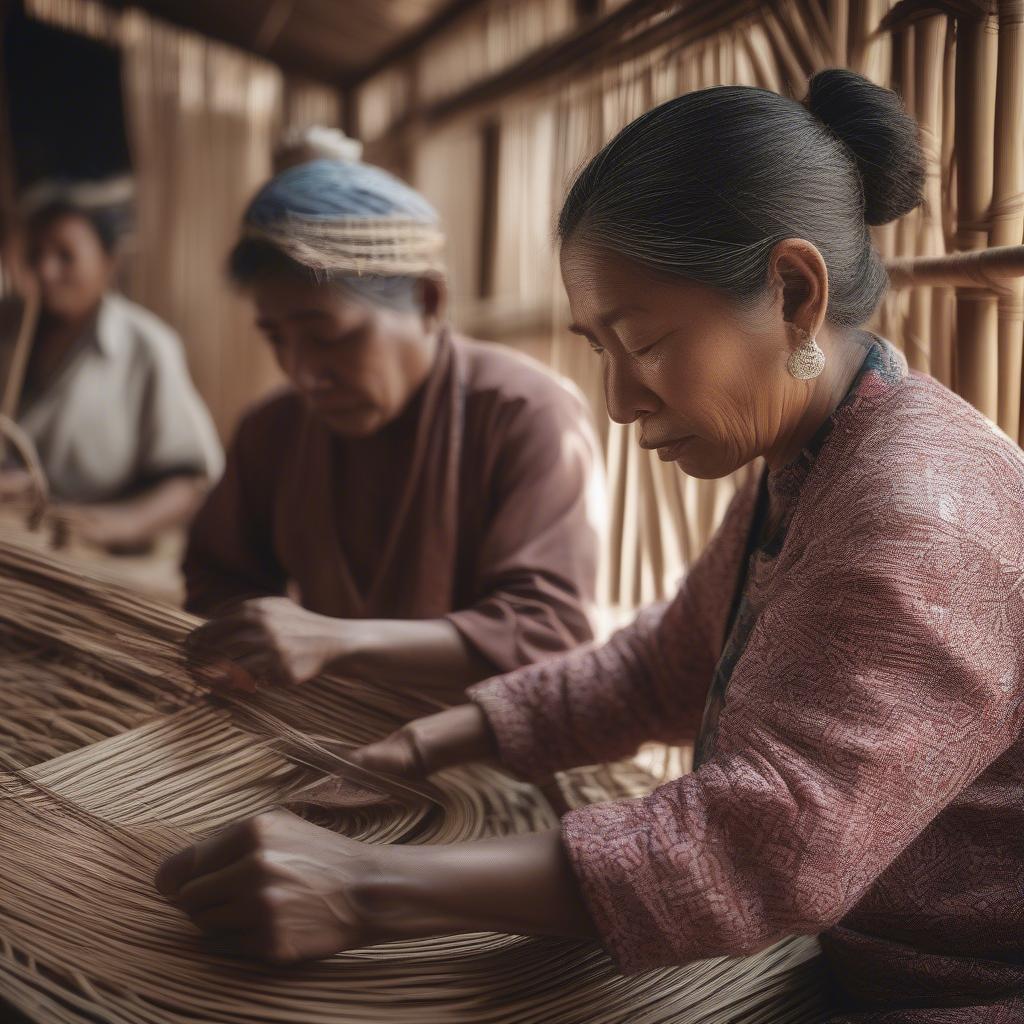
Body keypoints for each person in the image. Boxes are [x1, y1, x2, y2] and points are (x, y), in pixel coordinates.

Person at [157, 70, 1024, 1021]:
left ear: (792, 291)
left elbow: (765, 847)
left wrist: (361, 889)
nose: (618, 401)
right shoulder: (817, 458)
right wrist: (419, 746)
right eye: (599, 349)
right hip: (856, 961)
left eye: (643, 343)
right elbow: (665, 666)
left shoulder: (917, 511)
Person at [182, 156, 602, 696]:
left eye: (329, 336)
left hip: (479, 745)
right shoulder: (272, 429)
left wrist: (338, 643)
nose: (302, 374)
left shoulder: (527, 415)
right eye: (276, 339)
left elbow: (550, 634)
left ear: (429, 301)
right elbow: (218, 578)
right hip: (318, 731)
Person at [0, 185, 223, 550]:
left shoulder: (146, 346)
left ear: (109, 261)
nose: (45, 271)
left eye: (64, 255)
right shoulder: (7, 325)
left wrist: (119, 524)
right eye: (34, 255)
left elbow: (191, 479)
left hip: (90, 555)